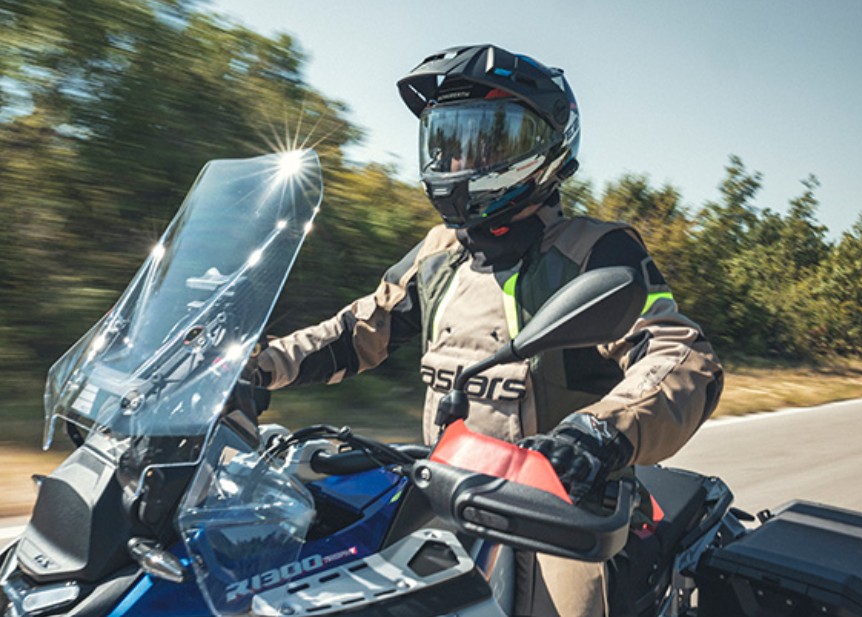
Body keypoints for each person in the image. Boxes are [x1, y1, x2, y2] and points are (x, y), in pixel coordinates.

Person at [255, 44, 723, 617]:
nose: (458, 161)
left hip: (560, 512)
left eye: (486, 142)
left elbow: (680, 354)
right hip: (447, 495)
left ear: (545, 147)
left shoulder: (592, 252)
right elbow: (355, 332)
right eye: (447, 142)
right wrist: (255, 367)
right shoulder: (439, 253)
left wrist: (599, 433)